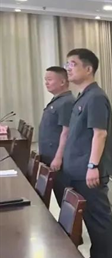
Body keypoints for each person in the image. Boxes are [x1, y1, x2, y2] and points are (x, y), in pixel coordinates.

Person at [63, 48, 112, 258]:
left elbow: (100, 133)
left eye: (73, 64)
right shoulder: (83, 97)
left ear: (88, 68)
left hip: (89, 171)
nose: (68, 68)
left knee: (98, 218)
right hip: (79, 170)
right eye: (67, 64)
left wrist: (93, 166)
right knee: (91, 218)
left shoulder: (95, 97)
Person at [38, 66, 75, 205]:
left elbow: (66, 132)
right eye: (45, 80)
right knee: (60, 196)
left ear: (63, 82)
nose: (46, 83)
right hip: (50, 157)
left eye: (49, 79)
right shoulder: (57, 100)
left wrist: (58, 157)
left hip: (59, 160)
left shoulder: (67, 102)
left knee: (65, 199)